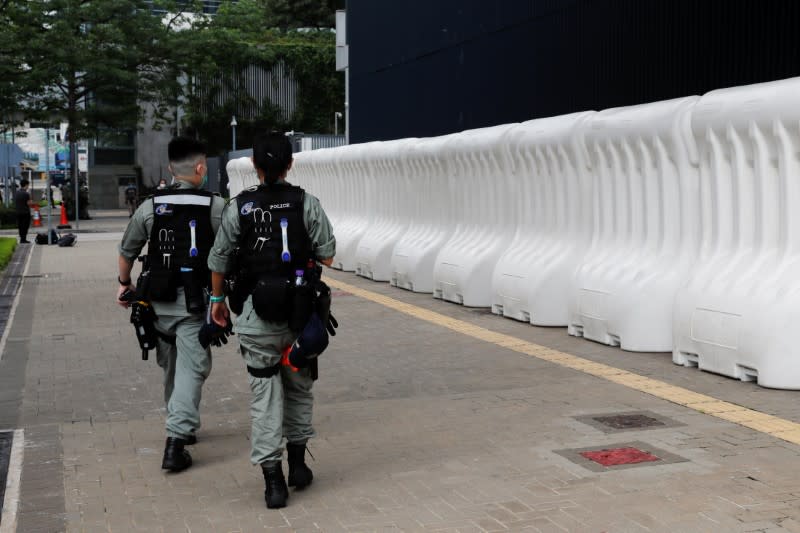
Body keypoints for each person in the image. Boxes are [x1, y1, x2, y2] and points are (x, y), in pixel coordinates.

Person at [207, 132, 336, 509]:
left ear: (254, 167)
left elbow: (218, 260)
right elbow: (327, 255)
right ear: (290, 164)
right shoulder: (306, 204)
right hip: (299, 319)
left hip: (253, 318)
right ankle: (298, 467)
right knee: (298, 388)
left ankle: (273, 482)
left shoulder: (239, 207)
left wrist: (217, 301)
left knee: (264, 398)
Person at [116, 137, 226, 473]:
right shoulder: (216, 206)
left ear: (169, 169)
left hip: (154, 302)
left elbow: (127, 251)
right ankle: (176, 441)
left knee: (172, 365)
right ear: (199, 168)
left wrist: (125, 285)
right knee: (193, 368)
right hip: (194, 303)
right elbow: (228, 252)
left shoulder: (150, 205)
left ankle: (180, 422)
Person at [15, 179, 33, 244]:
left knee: (20, 226)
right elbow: (29, 204)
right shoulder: (26, 194)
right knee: (25, 226)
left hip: (18, 212)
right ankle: (23, 239)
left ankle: (21, 239)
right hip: (25, 212)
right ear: (26, 185)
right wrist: (30, 198)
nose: (28, 186)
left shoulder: (17, 192)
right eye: (28, 185)